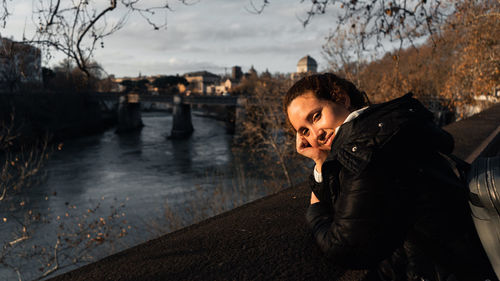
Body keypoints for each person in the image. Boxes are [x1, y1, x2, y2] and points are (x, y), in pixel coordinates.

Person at [283, 73, 496, 281]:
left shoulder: (368, 150)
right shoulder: (384, 126)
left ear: (341, 99)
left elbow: (345, 247)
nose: (315, 133)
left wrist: (315, 213)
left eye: (316, 116)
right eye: (304, 131)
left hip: (438, 268)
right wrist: (320, 161)